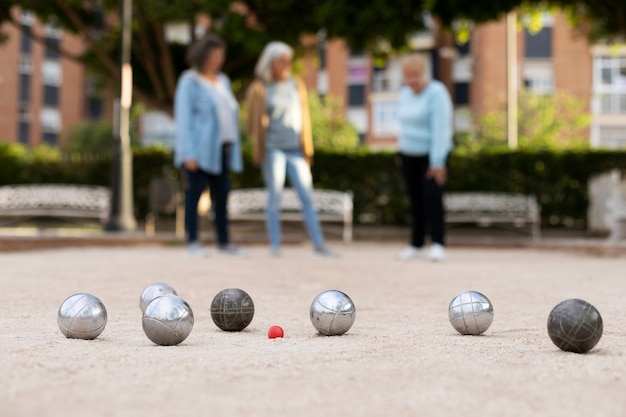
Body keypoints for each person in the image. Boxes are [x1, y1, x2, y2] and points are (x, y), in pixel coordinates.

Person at [245, 41, 336, 258]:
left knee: (307, 196)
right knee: (274, 198)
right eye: (282, 60)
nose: (287, 64)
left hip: (295, 148)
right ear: (271, 62)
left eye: (289, 60)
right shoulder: (260, 88)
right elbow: (250, 122)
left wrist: (307, 145)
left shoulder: (297, 84)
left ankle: (319, 244)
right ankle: (275, 247)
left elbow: (304, 117)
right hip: (272, 149)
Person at [174, 33, 244, 257]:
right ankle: (192, 241)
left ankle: (223, 242)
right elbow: (183, 119)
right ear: (202, 55)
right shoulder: (189, 82)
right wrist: (187, 153)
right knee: (194, 195)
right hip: (198, 151)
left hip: (221, 149)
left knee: (222, 194)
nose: (218, 59)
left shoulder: (223, 81)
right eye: (214, 55)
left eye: (220, 55)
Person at [396, 54, 453, 262]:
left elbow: (441, 129)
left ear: (425, 73)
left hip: (431, 155)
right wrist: (400, 152)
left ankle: (437, 243)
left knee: (432, 198)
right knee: (414, 200)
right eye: (407, 76)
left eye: (416, 75)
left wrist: (437, 161)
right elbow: (403, 126)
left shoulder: (437, 93)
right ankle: (416, 243)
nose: (412, 80)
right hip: (408, 154)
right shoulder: (403, 94)